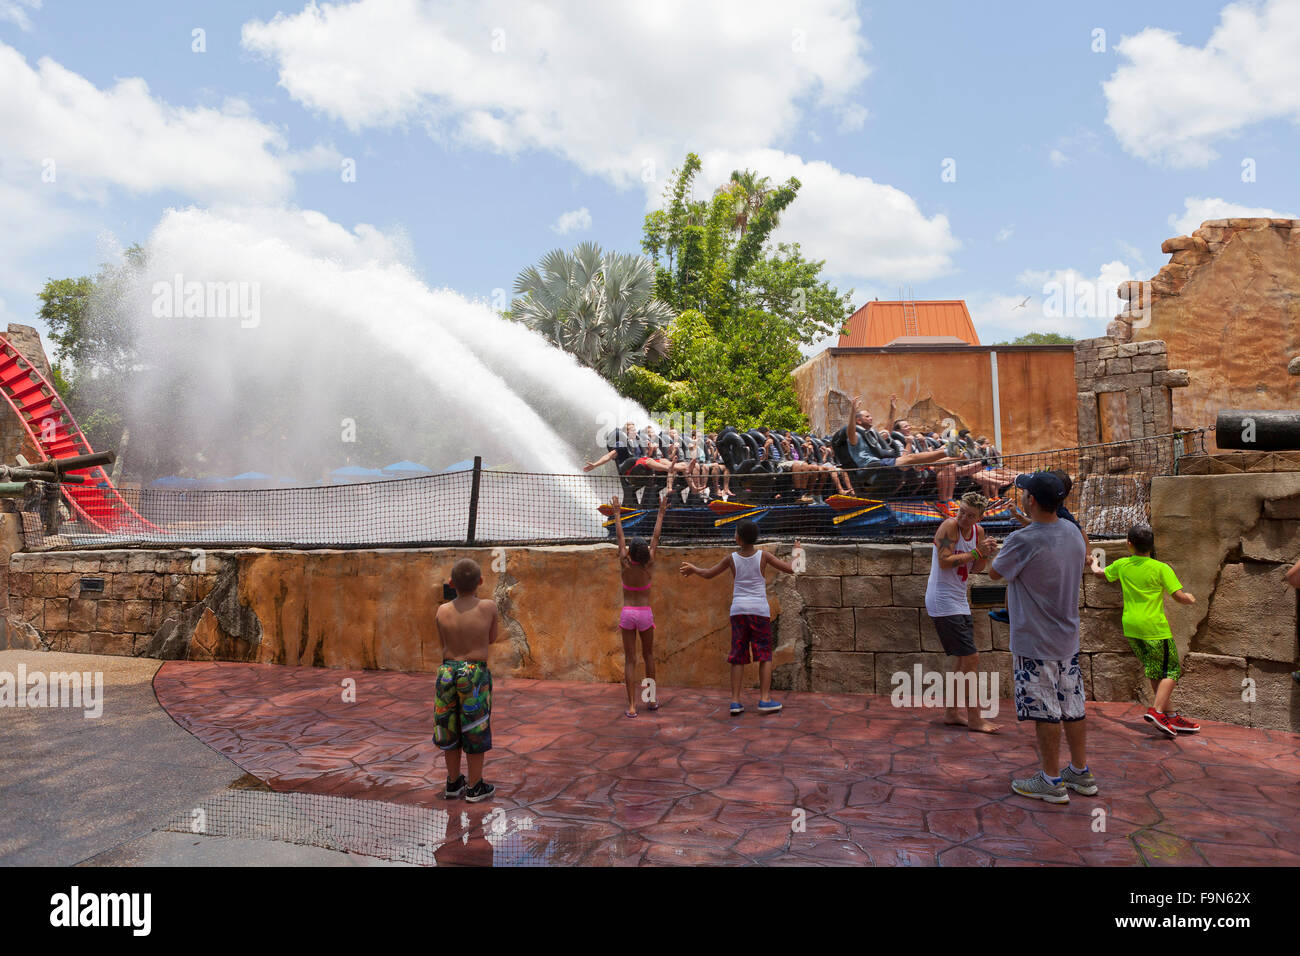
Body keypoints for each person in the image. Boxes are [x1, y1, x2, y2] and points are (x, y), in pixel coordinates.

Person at [989, 471, 1093, 804]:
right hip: (1067, 639)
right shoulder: (1073, 533)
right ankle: (1079, 771)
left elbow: (995, 572)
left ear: (1031, 500)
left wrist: (982, 550)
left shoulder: (1023, 541)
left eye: (1025, 492)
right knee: (1072, 705)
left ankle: (1050, 780)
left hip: (1035, 641)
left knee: (1045, 711)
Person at [679, 521, 798, 716]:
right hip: (759, 611)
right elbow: (793, 568)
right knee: (764, 655)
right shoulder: (764, 556)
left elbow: (709, 574)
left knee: (738, 656)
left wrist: (694, 569)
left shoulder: (732, 559)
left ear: (738, 538)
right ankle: (765, 699)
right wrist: (798, 551)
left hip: (738, 611)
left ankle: (735, 702)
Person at [1090, 524, 1198, 737]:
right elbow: (1178, 596)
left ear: (1129, 544)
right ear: (1151, 545)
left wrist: (1093, 562)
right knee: (1172, 671)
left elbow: (1100, 574)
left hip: (1131, 628)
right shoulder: (1161, 568)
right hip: (1154, 629)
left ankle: (1171, 715)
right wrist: (1190, 599)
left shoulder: (1122, 565)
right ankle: (1157, 711)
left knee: (1155, 670)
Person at [925, 491, 1000, 733]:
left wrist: (985, 554)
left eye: (970, 515)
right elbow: (944, 561)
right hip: (942, 599)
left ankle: (951, 712)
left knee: (961, 659)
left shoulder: (978, 532)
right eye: (962, 512)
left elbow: (976, 567)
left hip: (959, 599)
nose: (964, 519)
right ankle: (976, 717)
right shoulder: (948, 527)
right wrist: (977, 553)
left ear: (979, 517)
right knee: (971, 657)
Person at [434, 558, 502, 802]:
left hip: (447, 672)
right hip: (474, 673)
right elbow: (492, 638)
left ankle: (453, 782)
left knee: (448, 728)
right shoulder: (489, 607)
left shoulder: (442, 610)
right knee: (475, 729)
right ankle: (474, 786)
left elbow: (443, 642)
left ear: (451, 583)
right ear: (481, 582)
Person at [611, 490, 669, 718]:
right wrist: (661, 513)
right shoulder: (650, 564)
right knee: (649, 657)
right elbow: (656, 537)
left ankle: (633, 706)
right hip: (645, 614)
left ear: (630, 554)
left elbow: (620, 539)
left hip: (628, 614)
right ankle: (652, 699)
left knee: (630, 660)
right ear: (644, 552)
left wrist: (617, 514)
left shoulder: (624, 565)